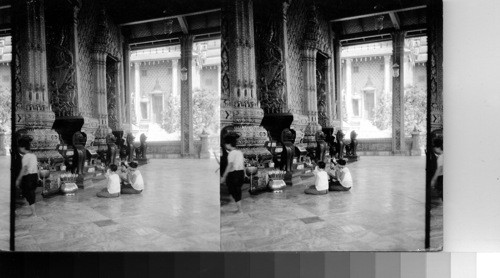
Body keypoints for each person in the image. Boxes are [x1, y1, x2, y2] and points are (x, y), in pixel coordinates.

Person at [15, 136, 40, 217]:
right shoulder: (33, 155)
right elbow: (37, 167)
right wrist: (38, 177)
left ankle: (34, 213)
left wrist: (18, 179)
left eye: (20, 147)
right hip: (34, 176)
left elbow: (24, 169)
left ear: (23, 147)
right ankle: (33, 212)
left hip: (28, 178)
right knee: (31, 194)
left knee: (29, 194)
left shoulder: (25, 156)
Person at [221, 133, 245, 213]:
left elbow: (230, 165)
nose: (225, 146)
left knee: (233, 191)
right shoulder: (239, 152)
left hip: (234, 175)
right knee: (237, 191)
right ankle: (239, 208)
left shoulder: (231, 153)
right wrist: (244, 174)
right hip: (241, 173)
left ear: (228, 144)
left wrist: (224, 176)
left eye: (225, 144)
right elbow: (243, 165)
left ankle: (240, 210)